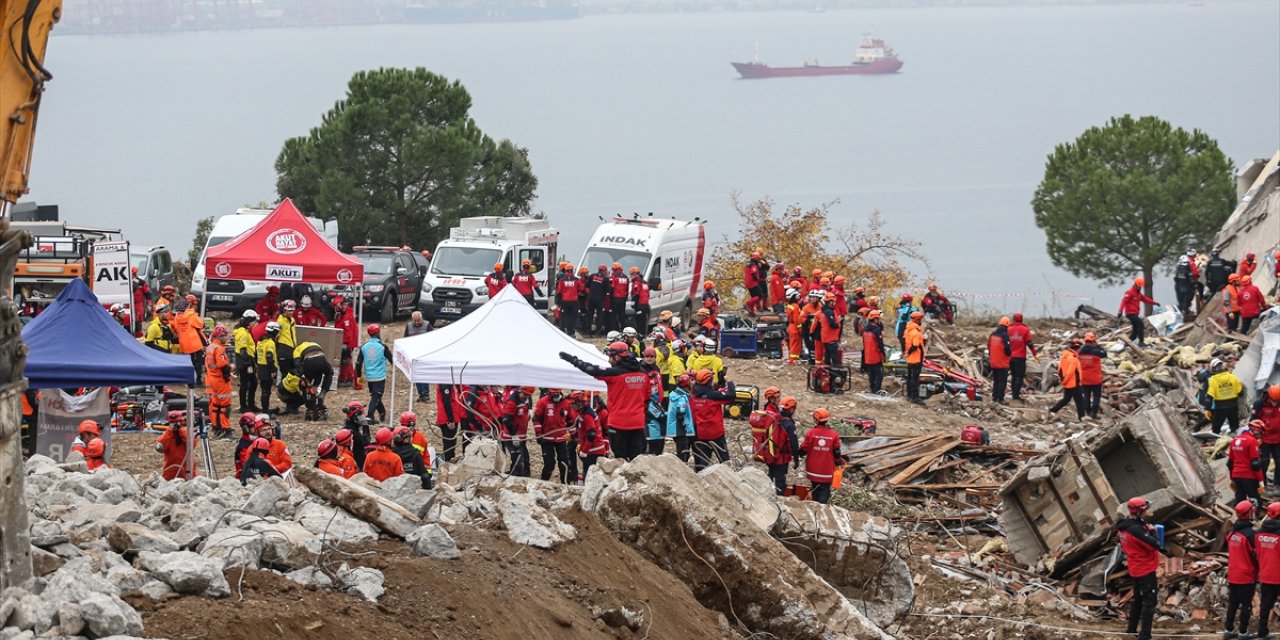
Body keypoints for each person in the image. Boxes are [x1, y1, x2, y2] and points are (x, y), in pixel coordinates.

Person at [560, 342, 650, 460]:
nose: (608, 360)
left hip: (618, 423)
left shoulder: (614, 373)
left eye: (610, 356)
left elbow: (591, 369)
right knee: (636, 460)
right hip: (638, 423)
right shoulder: (643, 373)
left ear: (617, 356)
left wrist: (572, 360)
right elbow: (647, 398)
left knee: (620, 460)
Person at [1116, 497, 1164, 640]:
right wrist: (1153, 532)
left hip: (1135, 567)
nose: (1148, 512)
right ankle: (1145, 635)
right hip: (1145, 569)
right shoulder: (1136, 530)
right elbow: (1156, 544)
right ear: (1139, 512)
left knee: (1137, 600)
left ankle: (1131, 630)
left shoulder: (1124, 525)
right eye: (1146, 510)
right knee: (1149, 602)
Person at [1226, 499, 1260, 639]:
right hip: (1246, 576)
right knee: (1246, 605)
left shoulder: (1232, 532)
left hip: (1233, 574)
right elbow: (1255, 555)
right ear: (1247, 514)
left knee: (1233, 604)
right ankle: (1243, 632)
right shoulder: (1249, 534)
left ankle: (1228, 630)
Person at [690, 369, 735, 472]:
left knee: (702, 463)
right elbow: (731, 395)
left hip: (700, 433)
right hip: (715, 433)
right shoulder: (713, 395)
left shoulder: (694, 393)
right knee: (724, 460)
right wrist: (730, 381)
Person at [799, 408, 843, 504]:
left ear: (816, 419)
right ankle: (822, 507)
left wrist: (797, 453)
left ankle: (815, 505)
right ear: (827, 420)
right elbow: (836, 452)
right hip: (826, 471)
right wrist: (839, 462)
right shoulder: (833, 434)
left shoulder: (811, 433)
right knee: (825, 489)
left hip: (813, 470)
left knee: (815, 488)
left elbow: (803, 450)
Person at [759, 396, 800, 495]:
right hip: (781, 458)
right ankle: (778, 500)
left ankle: (767, 495)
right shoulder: (789, 425)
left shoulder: (774, 418)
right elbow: (794, 444)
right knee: (780, 481)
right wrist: (796, 459)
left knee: (770, 476)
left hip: (771, 454)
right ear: (791, 409)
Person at [534, 389, 571, 483]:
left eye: (557, 392)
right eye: (553, 392)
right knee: (549, 464)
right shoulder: (542, 402)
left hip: (562, 438)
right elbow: (536, 419)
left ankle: (565, 483)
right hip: (546, 439)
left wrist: (572, 435)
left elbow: (571, 420)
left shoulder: (566, 403)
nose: (555, 394)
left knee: (564, 463)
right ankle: (543, 483)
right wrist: (538, 434)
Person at [356, 323, 391, 423]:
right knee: (376, 396)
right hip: (380, 377)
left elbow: (358, 363)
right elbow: (391, 358)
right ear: (378, 332)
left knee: (376, 396)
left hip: (369, 377)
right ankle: (370, 416)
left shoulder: (364, 347)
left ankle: (382, 412)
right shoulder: (383, 346)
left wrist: (359, 377)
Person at [1255, 502, 1280, 639]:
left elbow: (1256, 553)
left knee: (1265, 605)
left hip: (1265, 575)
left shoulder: (1258, 534)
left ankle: (1262, 632)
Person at [204, 325, 234, 439]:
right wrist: (231, 368)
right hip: (220, 381)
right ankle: (225, 429)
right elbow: (222, 365)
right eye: (226, 335)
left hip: (210, 379)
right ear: (221, 336)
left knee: (214, 405)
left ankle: (216, 427)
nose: (227, 338)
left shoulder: (210, 347)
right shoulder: (219, 348)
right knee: (225, 405)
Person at [569, 391, 609, 476]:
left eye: (573, 404)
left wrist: (584, 450)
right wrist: (572, 436)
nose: (572, 406)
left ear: (579, 403)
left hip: (594, 451)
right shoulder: (584, 413)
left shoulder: (587, 415)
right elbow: (583, 430)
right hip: (592, 450)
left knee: (589, 476)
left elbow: (591, 435)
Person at [293, 341, 333, 420]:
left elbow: (297, 364)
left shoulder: (296, 350)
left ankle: (311, 406)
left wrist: (303, 377)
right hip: (321, 359)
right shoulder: (315, 343)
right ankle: (322, 392)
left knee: (305, 386)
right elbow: (321, 360)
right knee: (329, 373)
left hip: (309, 362)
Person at [500, 387, 534, 477]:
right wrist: (513, 435)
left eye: (529, 395)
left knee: (524, 458)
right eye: (525, 395)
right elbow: (506, 420)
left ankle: (523, 474)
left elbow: (528, 400)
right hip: (511, 437)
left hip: (521, 435)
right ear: (520, 391)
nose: (527, 397)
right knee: (518, 459)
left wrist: (529, 410)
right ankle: (517, 477)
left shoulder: (524, 398)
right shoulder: (512, 402)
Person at [1231, 420, 1266, 506]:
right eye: (1261, 433)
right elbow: (1255, 464)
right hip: (1249, 477)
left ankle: (1240, 517)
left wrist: (1232, 478)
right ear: (1256, 430)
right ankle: (1254, 518)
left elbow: (1230, 463)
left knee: (1240, 500)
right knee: (1255, 501)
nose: (1260, 436)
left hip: (1236, 476)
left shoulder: (1235, 440)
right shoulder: (1252, 441)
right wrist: (1261, 481)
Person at [1048, 338, 1085, 420]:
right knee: (1080, 401)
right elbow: (1070, 372)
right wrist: (1065, 381)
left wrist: (1062, 380)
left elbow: (1060, 368)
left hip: (1067, 382)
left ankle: (1053, 410)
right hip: (1073, 383)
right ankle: (1081, 418)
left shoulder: (1065, 355)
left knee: (1066, 399)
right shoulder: (1073, 359)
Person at [174, 296, 208, 381]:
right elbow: (201, 324)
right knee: (198, 362)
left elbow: (176, 328)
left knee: (189, 362)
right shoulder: (191, 315)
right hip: (195, 343)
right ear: (192, 304)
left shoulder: (177, 315)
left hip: (184, 343)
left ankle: (189, 379)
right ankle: (198, 380)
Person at [1006, 312, 1038, 401]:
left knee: (1013, 376)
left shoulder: (1009, 329)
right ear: (1022, 319)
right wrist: (1035, 354)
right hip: (1020, 357)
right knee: (1019, 377)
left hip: (1011, 357)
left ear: (1013, 319)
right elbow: (1029, 343)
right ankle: (1016, 396)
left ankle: (1013, 394)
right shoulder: (1025, 329)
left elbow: (1005, 343)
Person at [1207, 358, 1244, 434]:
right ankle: (1234, 436)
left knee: (1216, 428)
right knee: (1234, 425)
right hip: (1233, 405)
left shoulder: (1213, 380)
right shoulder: (1233, 377)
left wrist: (1207, 409)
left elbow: (1210, 396)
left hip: (1220, 407)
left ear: (1213, 369)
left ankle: (1216, 439)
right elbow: (1240, 392)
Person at [1118, 277, 1158, 346]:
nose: (1140, 288)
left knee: (1135, 329)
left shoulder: (1138, 293)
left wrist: (1154, 303)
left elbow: (1145, 299)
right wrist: (1120, 311)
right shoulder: (1130, 292)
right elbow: (1123, 301)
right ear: (1135, 284)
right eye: (1139, 286)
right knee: (1140, 324)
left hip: (1135, 313)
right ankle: (1141, 342)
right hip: (1130, 313)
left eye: (1141, 286)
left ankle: (1128, 343)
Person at [1255, 386, 1280, 493]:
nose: (1275, 402)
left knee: (1279, 461)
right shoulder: (1260, 404)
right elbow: (1254, 422)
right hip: (1264, 438)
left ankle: (1277, 485)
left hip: (1278, 438)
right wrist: (1257, 436)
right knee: (1263, 462)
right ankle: (1262, 484)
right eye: (1274, 400)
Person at [233, 310, 259, 413]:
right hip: (245, 362)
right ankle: (244, 406)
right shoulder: (243, 333)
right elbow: (242, 350)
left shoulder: (246, 331)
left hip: (248, 360)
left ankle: (250, 404)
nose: (255, 324)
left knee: (253, 383)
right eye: (253, 322)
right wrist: (248, 363)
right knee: (245, 384)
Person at [1077, 332, 1106, 419]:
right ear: (1093, 340)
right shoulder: (1096, 352)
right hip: (1095, 379)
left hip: (1085, 379)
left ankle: (1088, 411)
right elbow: (1104, 353)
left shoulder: (1080, 353)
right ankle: (1094, 413)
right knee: (1096, 396)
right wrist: (1098, 346)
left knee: (1086, 396)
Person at [255, 321, 280, 413]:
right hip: (267, 368)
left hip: (261, 367)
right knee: (266, 391)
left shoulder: (260, 341)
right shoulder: (270, 343)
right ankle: (265, 410)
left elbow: (256, 354)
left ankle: (265, 408)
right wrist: (273, 370)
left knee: (264, 389)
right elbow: (269, 357)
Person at [333, 296, 359, 386]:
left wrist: (344, 343)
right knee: (344, 361)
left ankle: (348, 378)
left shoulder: (346, 317)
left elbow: (348, 333)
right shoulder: (343, 315)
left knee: (346, 361)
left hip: (346, 343)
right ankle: (344, 378)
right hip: (343, 342)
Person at [436, 384, 464, 462]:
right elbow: (446, 401)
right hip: (447, 419)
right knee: (449, 444)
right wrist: (450, 420)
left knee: (451, 443)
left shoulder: (449, 383)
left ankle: (449, 461)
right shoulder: (445, 384)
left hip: (451, 417)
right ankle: (448, 463)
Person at [987, 317, 1012, 404]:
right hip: (1002, 362)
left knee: (996, 381)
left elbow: (989, 347)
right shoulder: (1005, 335)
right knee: (1002, 381)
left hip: (993, 362)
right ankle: (1000, 399)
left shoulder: (992, 334)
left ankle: (994, 398)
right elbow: (1008, 350)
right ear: (1007, 325)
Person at [903, 311, 926, 404]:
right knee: (915, 379)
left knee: (910, 377)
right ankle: (915, 397)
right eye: (920, 319)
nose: (921, 321)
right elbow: (915, 345)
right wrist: (908, 352)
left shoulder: (908, 330)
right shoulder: (916, 332)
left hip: (910, 359)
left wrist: (907, 353)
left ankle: (909, 395)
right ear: (917, 320)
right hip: (916, 358)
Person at [342, 400, 372, 470]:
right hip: (355, 466)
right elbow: (366, 441)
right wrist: (365, 424)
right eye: (362, 414)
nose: (364, 416)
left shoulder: (347, 428)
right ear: (356, 415)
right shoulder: (354, 434)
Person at [644, 379, 669, 456]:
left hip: (659, 433)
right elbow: (659, 415)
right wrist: (669, 414)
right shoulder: (650, 403)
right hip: (653, 434)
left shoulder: (656, 402)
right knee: (654, 454)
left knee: (659, 453)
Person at [818, 292, 842, 367]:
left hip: (826, 337)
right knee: (834, 356)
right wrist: (838, 324)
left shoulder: (824, 311)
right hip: (830, 337)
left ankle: (827, 370)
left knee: (827, 355)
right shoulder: (829, 312)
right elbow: (832, 324)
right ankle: (835, 372)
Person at [275, 299, 299, 375]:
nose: (291, 313)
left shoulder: (292, 320)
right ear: (284, 310)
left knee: (293, 372)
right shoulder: (280, 320)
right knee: (285, 373)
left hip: (292, 348)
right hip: (283, 348)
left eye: (292, 311)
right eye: (289, 311)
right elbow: (276, 335)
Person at [556, 266, 579, 337]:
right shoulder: (576, 280)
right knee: (573, 316)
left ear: (566, 271)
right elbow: (581, 288)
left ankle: (564, 330)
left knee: (565, 316)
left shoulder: (562, 280)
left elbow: (559, 291)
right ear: (572, 271)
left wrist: (558, 302)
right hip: (574, 301)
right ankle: (571, 331)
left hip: (565, 301)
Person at [586, 264, 609, 335]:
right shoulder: (605, 279)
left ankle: (588, 332)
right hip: (599, 300)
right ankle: (598, 333)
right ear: (604, 271)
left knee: (589, 315)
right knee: (599, 316)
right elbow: (607, 290)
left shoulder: (592, 276)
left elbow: (587, 285)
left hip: (591, 299)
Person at [784, 289, 805, 365]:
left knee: (793, 343)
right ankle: (793, 360)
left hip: (791, 326)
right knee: (796, 344)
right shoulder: (795, 306)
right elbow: (797, 319)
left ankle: (792, 359)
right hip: (795, 328)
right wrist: (800, 329)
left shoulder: (789, 306)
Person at [234, 412, 257, 478]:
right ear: (246, 428)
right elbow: (248, 467)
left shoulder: (254, 440)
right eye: (253, 426)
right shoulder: (243, 447)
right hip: (246, 480)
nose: (256, 428)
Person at [610, 263, 631, 331]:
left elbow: (611, 287)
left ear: (614, 269)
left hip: (615, 298)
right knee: (622, 315)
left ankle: (614, 329)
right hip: (623, 299)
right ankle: (623, 329)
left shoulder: (613, 276)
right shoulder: (625, 277)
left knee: (613, 315)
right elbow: (627, 288)